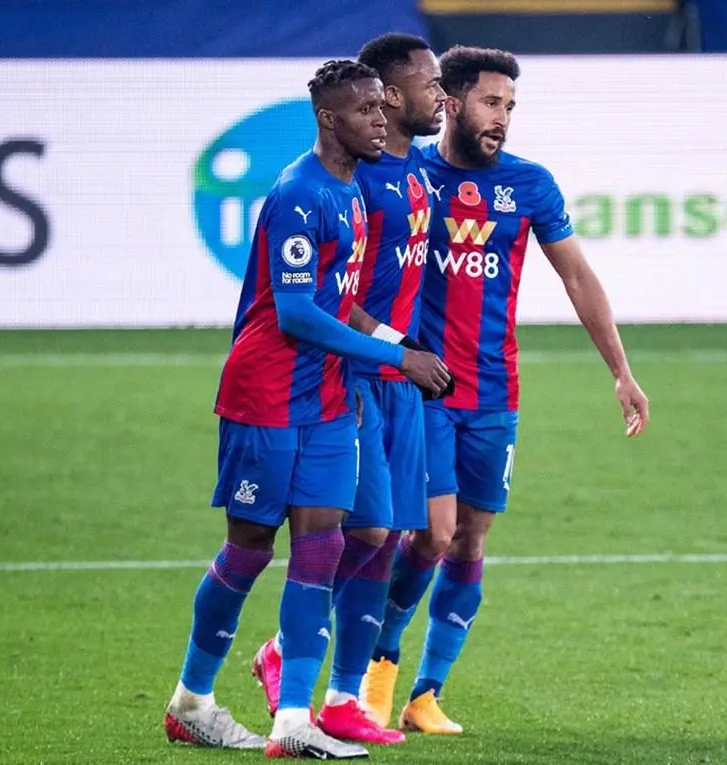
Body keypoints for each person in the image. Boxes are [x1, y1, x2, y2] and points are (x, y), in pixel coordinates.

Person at [360, 45, 651, 735]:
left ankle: (426, 693)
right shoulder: (409, 175)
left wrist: (621, 370)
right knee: (431, 533)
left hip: (496, 392)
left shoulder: (530, 184)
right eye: (491, 103)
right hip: (426, 387)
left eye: (511, 107)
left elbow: (577, 277)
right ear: (451, 102)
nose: (503, 119)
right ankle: (377, 670)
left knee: (470, 541)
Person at [163, 58, 449, 760]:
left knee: (323, 548)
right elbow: (295, 313)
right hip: (265, 395)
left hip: (326, 399)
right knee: (249, 549)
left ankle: (293, 719)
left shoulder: (352, 192)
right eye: (365, 111)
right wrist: (395, 359)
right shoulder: (299, 193)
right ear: (328, 119)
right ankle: (191, 700)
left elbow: (338, 302)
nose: (380, 120)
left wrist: (398, 344)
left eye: (382, 108)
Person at [249, 33, 448, 747]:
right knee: (359, 531)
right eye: (430, 83)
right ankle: (292, 662)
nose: (441, 95)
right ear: (388, 97)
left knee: (386, 535)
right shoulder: (352, 180)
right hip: (357, 375)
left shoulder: (415, 167)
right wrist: (392, 350)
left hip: (399, 376)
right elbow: (329, 297)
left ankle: (342, 696)